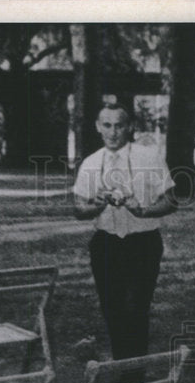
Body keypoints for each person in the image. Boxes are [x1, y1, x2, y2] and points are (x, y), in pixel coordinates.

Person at [73, 100, 177, 361]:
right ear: (98, 127)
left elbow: (171, 200)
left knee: (136, 309)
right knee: (112, 310)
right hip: (106, 244)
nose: (113, 131)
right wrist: (95, 206)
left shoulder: (149, 157)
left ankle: (134, 377)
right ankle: (122, 369)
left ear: (129, 127)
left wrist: (143, 210)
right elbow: (78, 208)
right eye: (107, 125)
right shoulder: (91, 163)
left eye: (119, 125)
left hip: (142, 244)